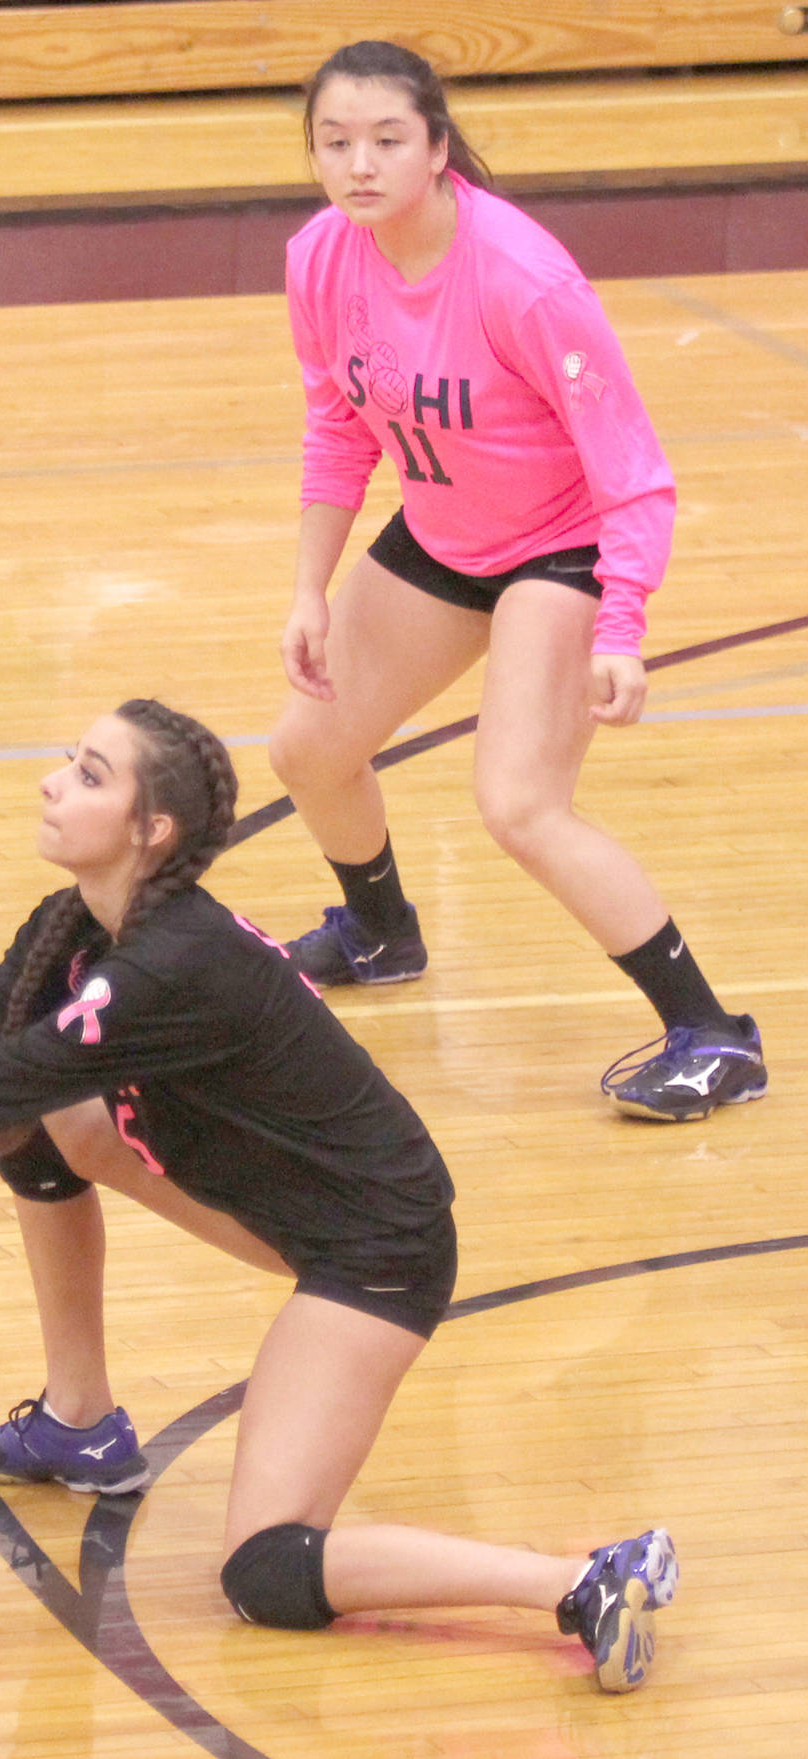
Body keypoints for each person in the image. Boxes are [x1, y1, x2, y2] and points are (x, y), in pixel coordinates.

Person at [0, 698, 677, 1694]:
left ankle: (583, 1579)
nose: (53, 781)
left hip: (376, 1248)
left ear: (152, 831)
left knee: (268, 1570)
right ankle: (79, 1423)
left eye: (90, 774)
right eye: (72, 761)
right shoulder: (73, 927)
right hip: (285, 1202)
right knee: (47, 1126)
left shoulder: (170, 966)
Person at [267, 39, 765, 1123]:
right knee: (308, 748)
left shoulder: (523, 279)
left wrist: (619, 624)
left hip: (558, 546)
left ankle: (713, 1034)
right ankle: (380, 931)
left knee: (520, 803)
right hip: (445, 537)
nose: (360, 164)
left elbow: (632, 473)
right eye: (335, 142)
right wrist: (310, 587)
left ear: (439, 149)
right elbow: (336, 426)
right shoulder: (319, 257)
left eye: (388, 140)